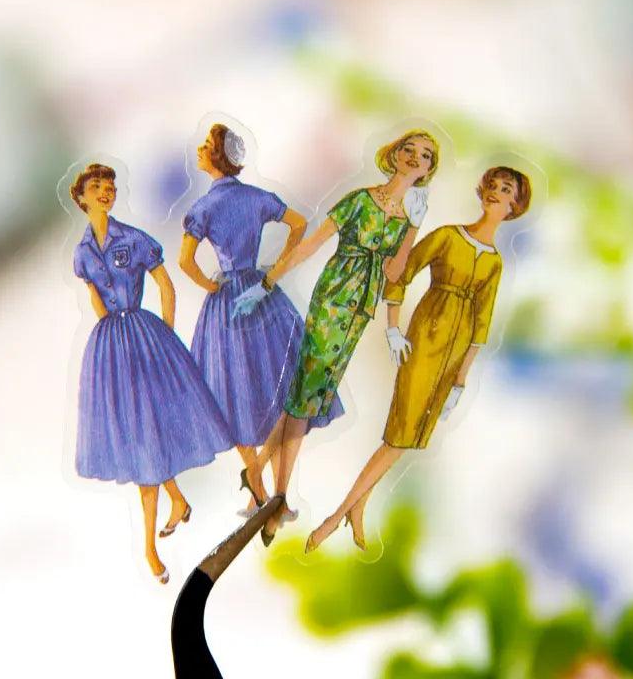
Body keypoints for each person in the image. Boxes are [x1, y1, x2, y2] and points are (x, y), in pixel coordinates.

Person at [304, 166, 532, 553]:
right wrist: (393, 327)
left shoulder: (494, 263)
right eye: (492, 185)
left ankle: (356, 508)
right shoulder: (448, 236)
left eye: (505, 189)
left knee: (406, 436)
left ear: (515, 205)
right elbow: (402, 272)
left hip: (454, 353)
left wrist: (461, 379)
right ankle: (335, 517)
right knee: (400, 434)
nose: (495, 191)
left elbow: (482, 322)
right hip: (424, 339)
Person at [232, 129, 441, 545]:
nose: (415, 158)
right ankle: (276, 498)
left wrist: (414, 228)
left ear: (428, 171)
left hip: (360, 310)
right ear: (395, 154)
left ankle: (259, 477)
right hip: (333, 300)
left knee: (309, 395)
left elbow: (394, 272)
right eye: (410, 150)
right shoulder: (360, 200)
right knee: (304, 397)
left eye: (426, 156)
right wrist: (267, 284)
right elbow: (311, 245)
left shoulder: (408, 218)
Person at [71, 163, 232, 584]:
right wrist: (113, 344)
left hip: (145, 337)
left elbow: (165, 285)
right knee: (141, 436)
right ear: (82, 197)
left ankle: (149, 548)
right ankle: (177, 502)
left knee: (148, 438)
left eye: (110, 186)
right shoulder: (83, 252)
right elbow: (96, 300)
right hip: (112, 349)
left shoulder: (134, 239)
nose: (105, 192)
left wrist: (165, 334)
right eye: (96, 187)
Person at [179, 123, 342, 516]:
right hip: (261, 290)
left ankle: (258, 485)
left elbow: (185, 262)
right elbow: (299, 224)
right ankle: (264, 490)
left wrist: (211, 285)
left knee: (233, 391)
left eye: (205, 144)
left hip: (227, 301)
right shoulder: (255, 197)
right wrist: (276, 268)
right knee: (277, 385)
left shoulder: (203, 208)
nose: (199, 150)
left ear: (216, 155)